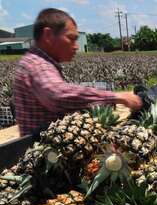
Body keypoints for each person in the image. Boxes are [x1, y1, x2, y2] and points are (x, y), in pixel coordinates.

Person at [14, 8, 143, 137]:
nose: (76, 46)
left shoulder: (36, 61)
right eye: (71, 38)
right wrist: (116, 97)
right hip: (45, 153)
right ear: (48, 35)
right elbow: (57, 95)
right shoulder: (38, 64)